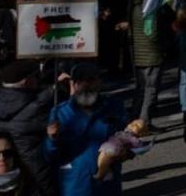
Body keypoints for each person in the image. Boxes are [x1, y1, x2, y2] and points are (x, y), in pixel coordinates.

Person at [45, 64, 130, 196]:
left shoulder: (114, 106)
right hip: (75, 184)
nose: (86, 85)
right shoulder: (60, 112)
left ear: (99, 82)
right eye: (80, 81)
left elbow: (129, 139)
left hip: (107, 184)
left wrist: (126, 152)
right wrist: (52, 139)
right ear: (73, 85)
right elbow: (49, 155)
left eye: (91, 80)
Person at [0, 60, 59, 196]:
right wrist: (55, 89)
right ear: (27, 82)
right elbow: (37, 106)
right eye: (36, 77)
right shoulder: (34, 109)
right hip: (34, 171)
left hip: (8, 167)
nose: (38, 81)